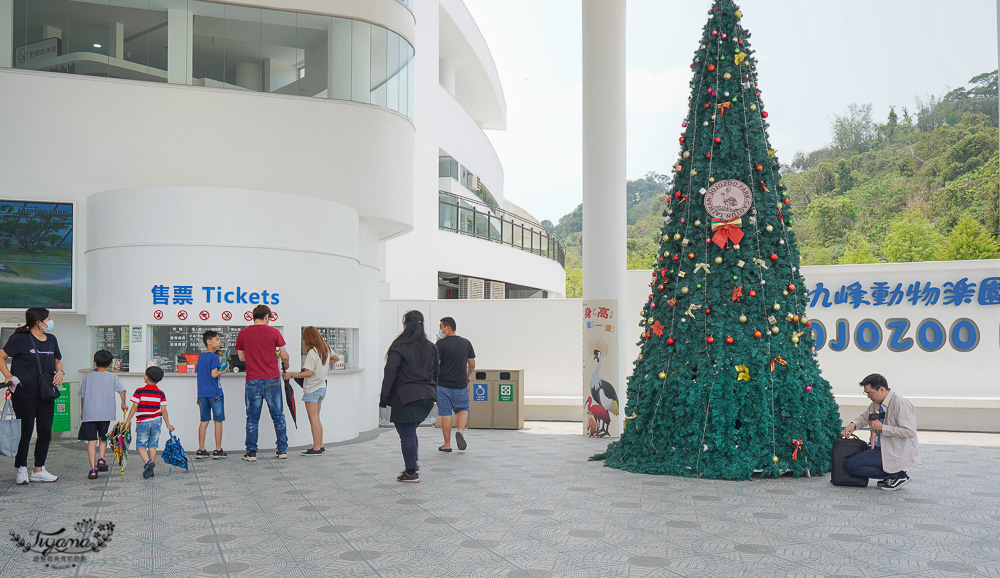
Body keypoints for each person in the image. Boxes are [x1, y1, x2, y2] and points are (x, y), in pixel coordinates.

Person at [0, 307, 64, 485]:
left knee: (45, 431)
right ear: (38, 321)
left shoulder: (51, 339)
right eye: (48, 318)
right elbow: (1, 356)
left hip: (46, 392)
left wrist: (60, 372)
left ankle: (39, 469)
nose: (50, 322)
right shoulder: (20, 339)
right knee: (25, 432)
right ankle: (21, 468)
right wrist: (8, 376)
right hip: (24, 393)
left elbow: (57, 360)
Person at [380, 310, 438, 483]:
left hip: (405, 397)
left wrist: (384, 398)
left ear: (405, 325)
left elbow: (390, 373)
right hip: (426, 397)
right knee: (410, 431)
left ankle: (411, 473)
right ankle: (414, 466)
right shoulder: (431, 347)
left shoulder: (399, 346)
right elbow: (436, 373)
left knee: (406, 433)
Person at [841, 373, 920, 490]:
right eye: (866, 393)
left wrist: (883, 427)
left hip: (893, 450)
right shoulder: (876, 403)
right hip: (879, 447)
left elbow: (909, 431)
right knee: (853, 458)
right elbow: (865, 417)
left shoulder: (900, 403)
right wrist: (853, 425)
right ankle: (892, 475)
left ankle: (896, 475)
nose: (868, 396)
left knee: (851, 465)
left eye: (870, 393)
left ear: (882, 389)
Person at [235, 304, 289, 462]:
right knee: (278, 416)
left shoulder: (243, 333)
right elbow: (284, 355)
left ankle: (251, 452)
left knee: (252, 418)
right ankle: (282, 450)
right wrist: (285, 363)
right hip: (272, 379)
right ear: (267, 317)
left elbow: (241, 358)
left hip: (253, 380)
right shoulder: (274, 332)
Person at [282, 326, 339, 456]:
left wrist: (291, 375)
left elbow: (309, 372)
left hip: (312, 389)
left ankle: (316, 448)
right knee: (317, 418)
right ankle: (320, 445)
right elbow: (337, 359)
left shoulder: (312, 353)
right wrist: (323, 366)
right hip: (322, 388)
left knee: (313, 419)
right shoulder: (326, 349)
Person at [79, 350, 127, 479]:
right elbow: (122, 391)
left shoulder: (87, 378)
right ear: (111, 363)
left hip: (90, 414)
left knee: (91, 441)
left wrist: (83, 412)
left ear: (94, 362)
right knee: (103, 438)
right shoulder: (113, 377)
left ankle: (93, 469)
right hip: (106, 414)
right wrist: (123, 404)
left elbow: (82, 397)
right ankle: (101, 459)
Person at [125, 366, 174, 479]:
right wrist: (168, 424)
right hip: (157, 421)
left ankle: (148, 462)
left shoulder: (139, 391)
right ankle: (150, 470)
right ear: (160, 380)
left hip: (143, 421)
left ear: (145, 377)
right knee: (152, 445)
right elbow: (163, 410)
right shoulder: (161, 393)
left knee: (141, 445)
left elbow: (134, 406)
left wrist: (128, 421)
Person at [435, 317, 475, 452]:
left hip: (443, 384)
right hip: (460, 384)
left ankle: (447, 444)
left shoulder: (440, 344)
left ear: (448, 327)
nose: (440, 330)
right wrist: (467, 376)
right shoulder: (466, 343)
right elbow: (472, 364)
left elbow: (437, 363)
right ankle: (460, 431)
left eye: (441, 327)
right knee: (463, 408)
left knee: (445, 412)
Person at [195, 330, 228, 459]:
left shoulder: (201, 357)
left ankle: (201, 449)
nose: (219, 342)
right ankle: (218, 450)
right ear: (209, 342)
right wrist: (223, 370)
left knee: (204, 421)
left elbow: (200, 376)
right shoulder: (214, 357)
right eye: (217, 339)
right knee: (218, 421)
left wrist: (198, 394)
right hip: (215, 393)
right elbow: (214, 374)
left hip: (203, 394)